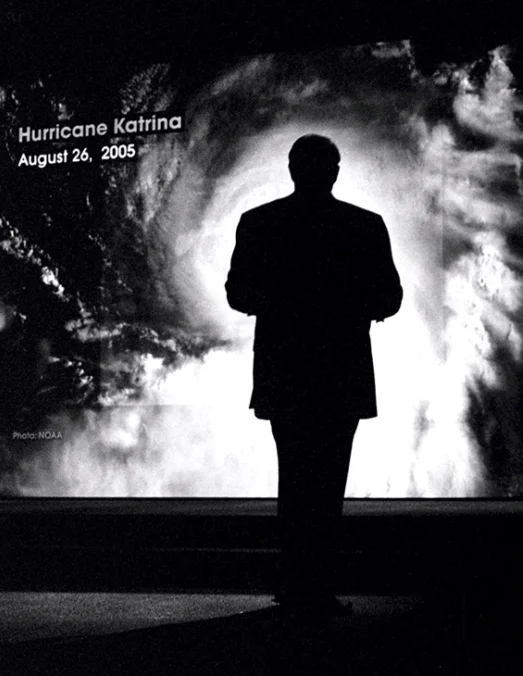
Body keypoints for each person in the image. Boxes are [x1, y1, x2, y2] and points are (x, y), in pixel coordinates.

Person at [225, 134, 403, 617]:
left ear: (291, 169)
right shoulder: (364, 225)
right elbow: (390, 298)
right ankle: (316, 587)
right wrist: (346, 308)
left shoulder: (259, 222)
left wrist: (284, 306)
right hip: (341, 372)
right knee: (327, 483)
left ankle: (295, 584)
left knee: (295, 479)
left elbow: (238, 293)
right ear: (335, 171)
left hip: (285, 370)